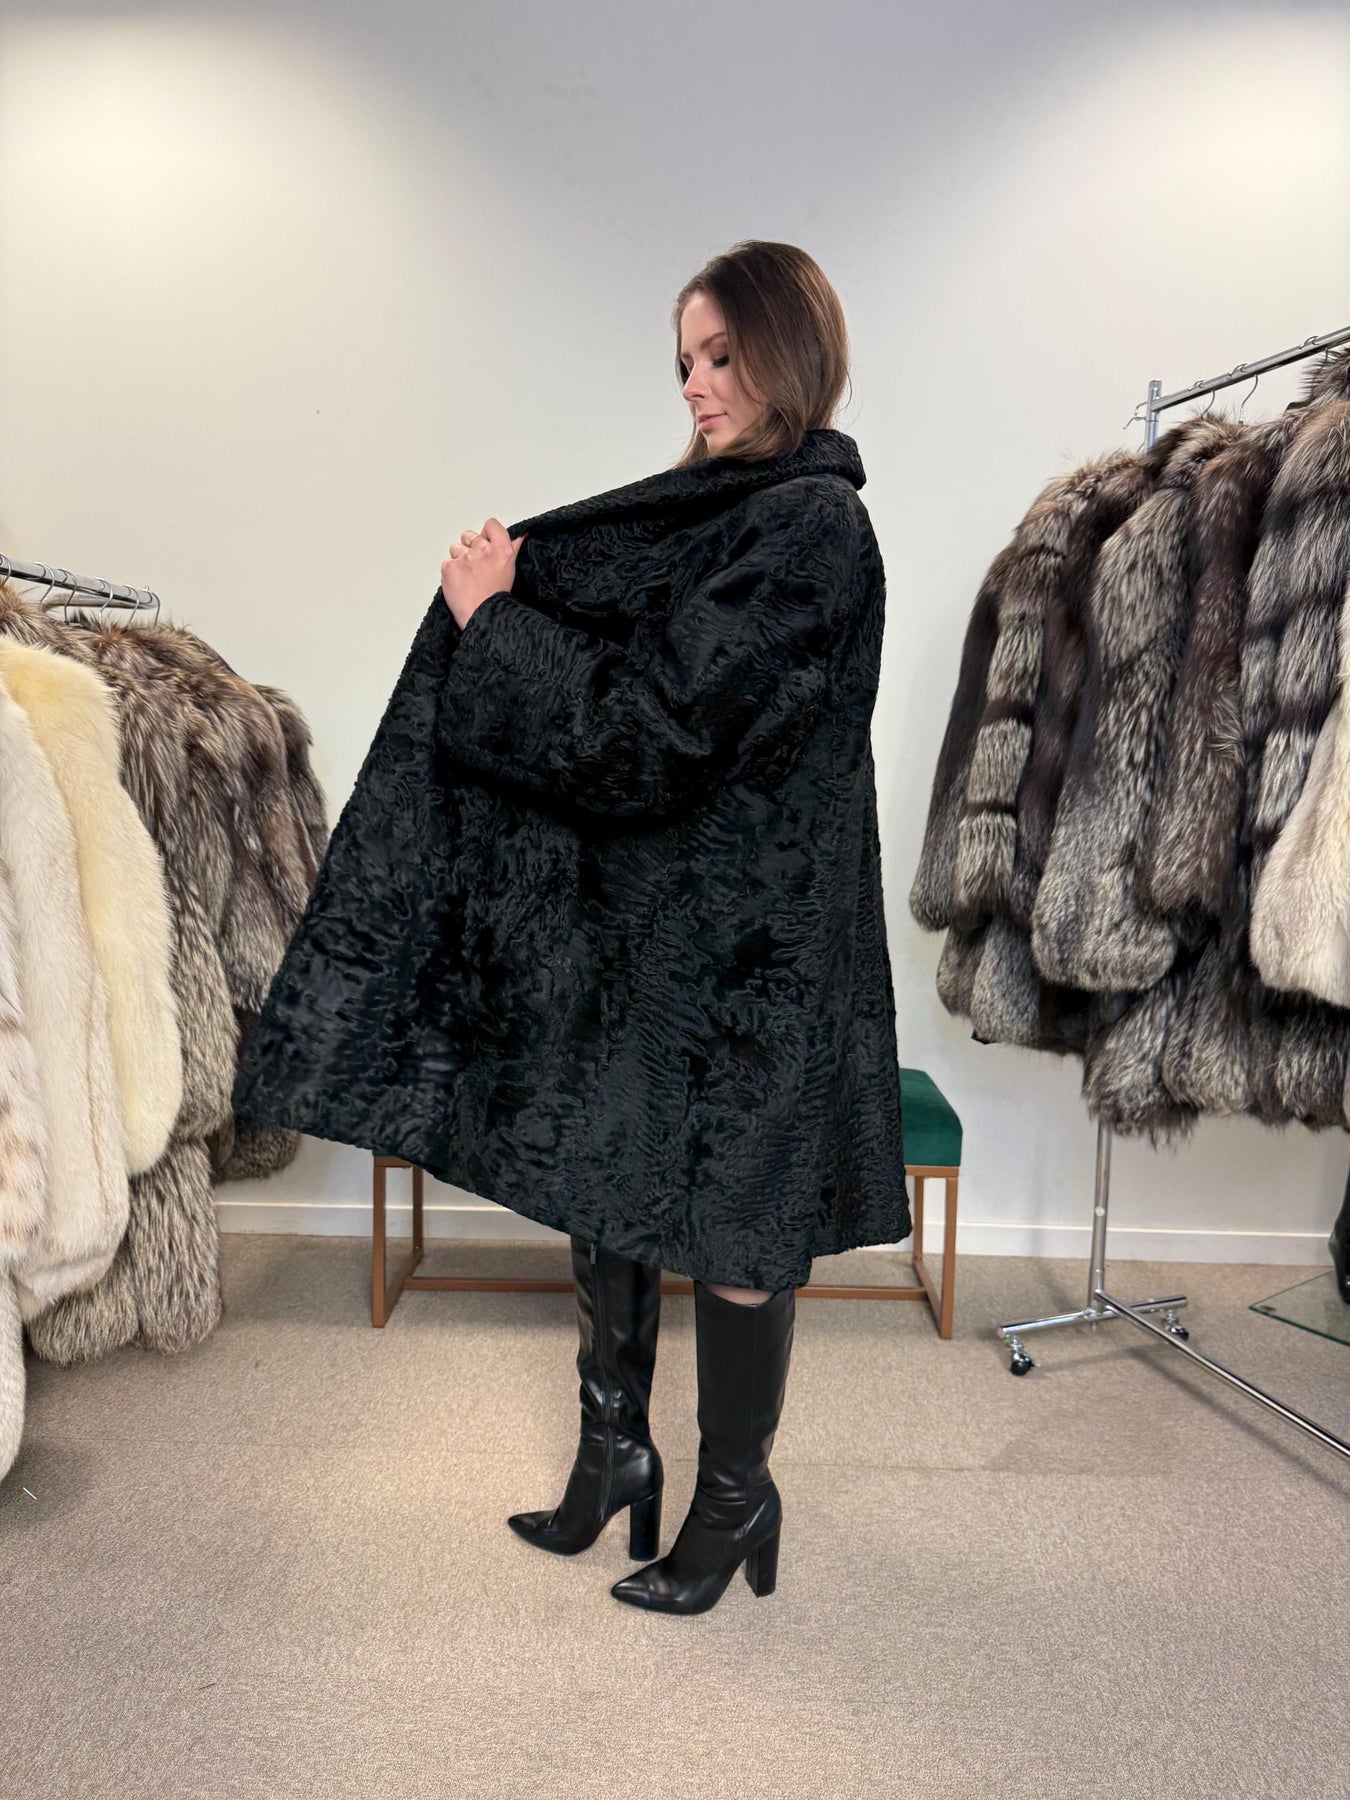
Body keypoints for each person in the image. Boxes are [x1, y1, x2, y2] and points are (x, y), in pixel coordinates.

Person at [436, 242, 904, 1615]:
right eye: (685, 362)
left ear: (787, 352)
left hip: (761, 951)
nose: (696, 385)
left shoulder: (809, 529)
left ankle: (733, 1500)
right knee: (614, 1176)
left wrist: (496, 624)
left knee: (742, 1229)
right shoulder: (722, 518)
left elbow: (661, 725)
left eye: (720, 355)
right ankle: (615, 1455)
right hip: (664, 934)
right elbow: (643, 679)